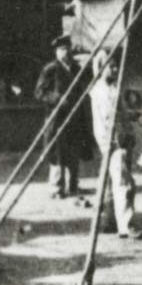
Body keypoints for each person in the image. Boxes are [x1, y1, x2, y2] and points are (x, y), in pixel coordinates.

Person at [34, 35, 95, 200]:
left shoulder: (76, 68)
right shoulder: (50, 69)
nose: (65, 52)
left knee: (74, 151)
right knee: (57, 152)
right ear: (56, 52)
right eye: (61, 49)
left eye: (67, 49)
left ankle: (72, 185)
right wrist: (56, 99)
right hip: (57, 119)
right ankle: (56, 188)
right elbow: (39, 92)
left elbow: (87, 81)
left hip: (75, 117)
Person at [89, 48, 141, 238]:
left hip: (119, 139)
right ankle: (126, 225)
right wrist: (116, 142)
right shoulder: (102, 92)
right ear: (101, 68)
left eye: (115, 66)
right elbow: (106, 122)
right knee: (124, 183)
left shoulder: (111, 88)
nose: (115, 69)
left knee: (112, 184)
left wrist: (129, 119)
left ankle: (109, 221)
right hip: (114, 142)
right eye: (111, 66)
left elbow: (120, 114)